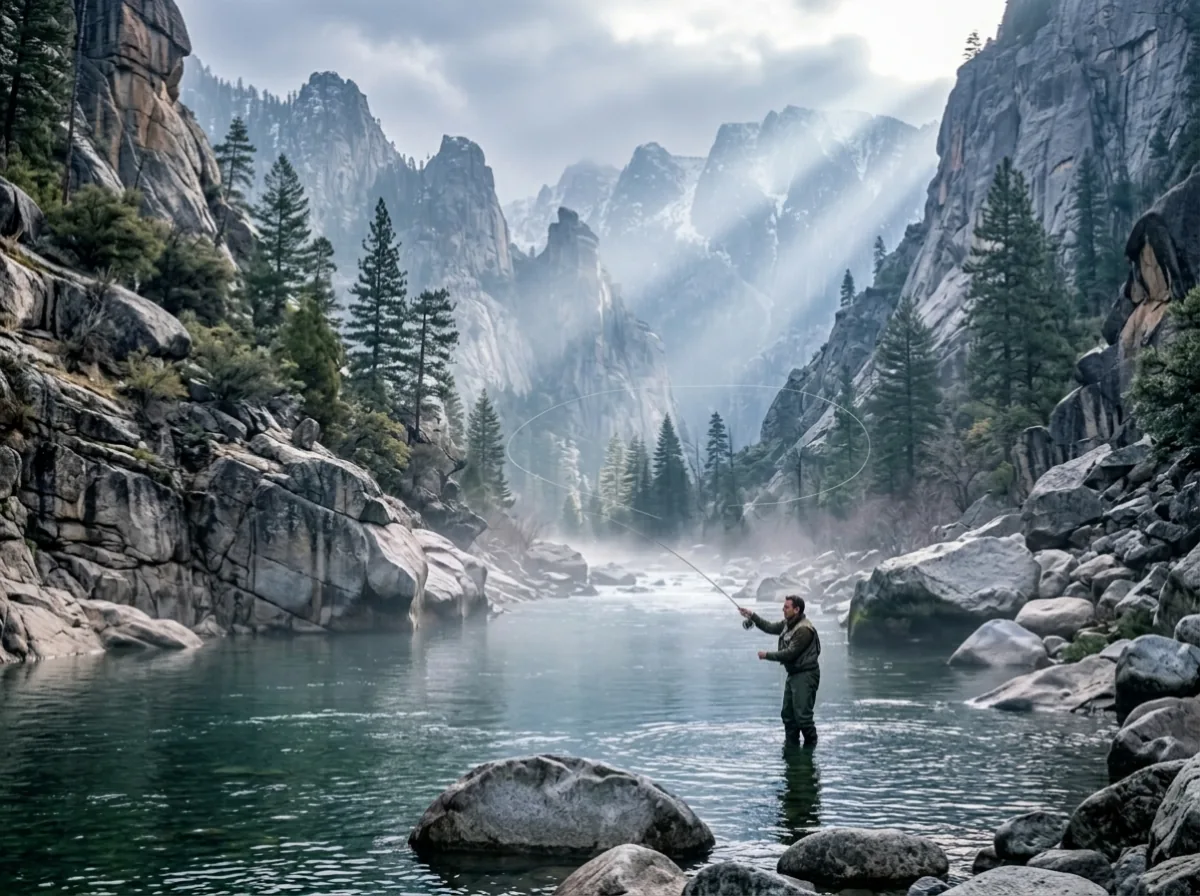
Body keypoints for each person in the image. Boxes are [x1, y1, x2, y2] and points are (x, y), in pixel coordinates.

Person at [740, 595, 821, 747]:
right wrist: (752, 616)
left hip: (806, 676)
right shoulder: (787, 624)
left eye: (786, 607)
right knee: (788, 716)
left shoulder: (804, 630)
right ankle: (791, 748)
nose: (783, 609)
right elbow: (769, 627)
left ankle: (810, 750)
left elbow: (790, 653)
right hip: (794, 675)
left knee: (803, 717)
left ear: (796, 610)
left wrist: (767, 655)